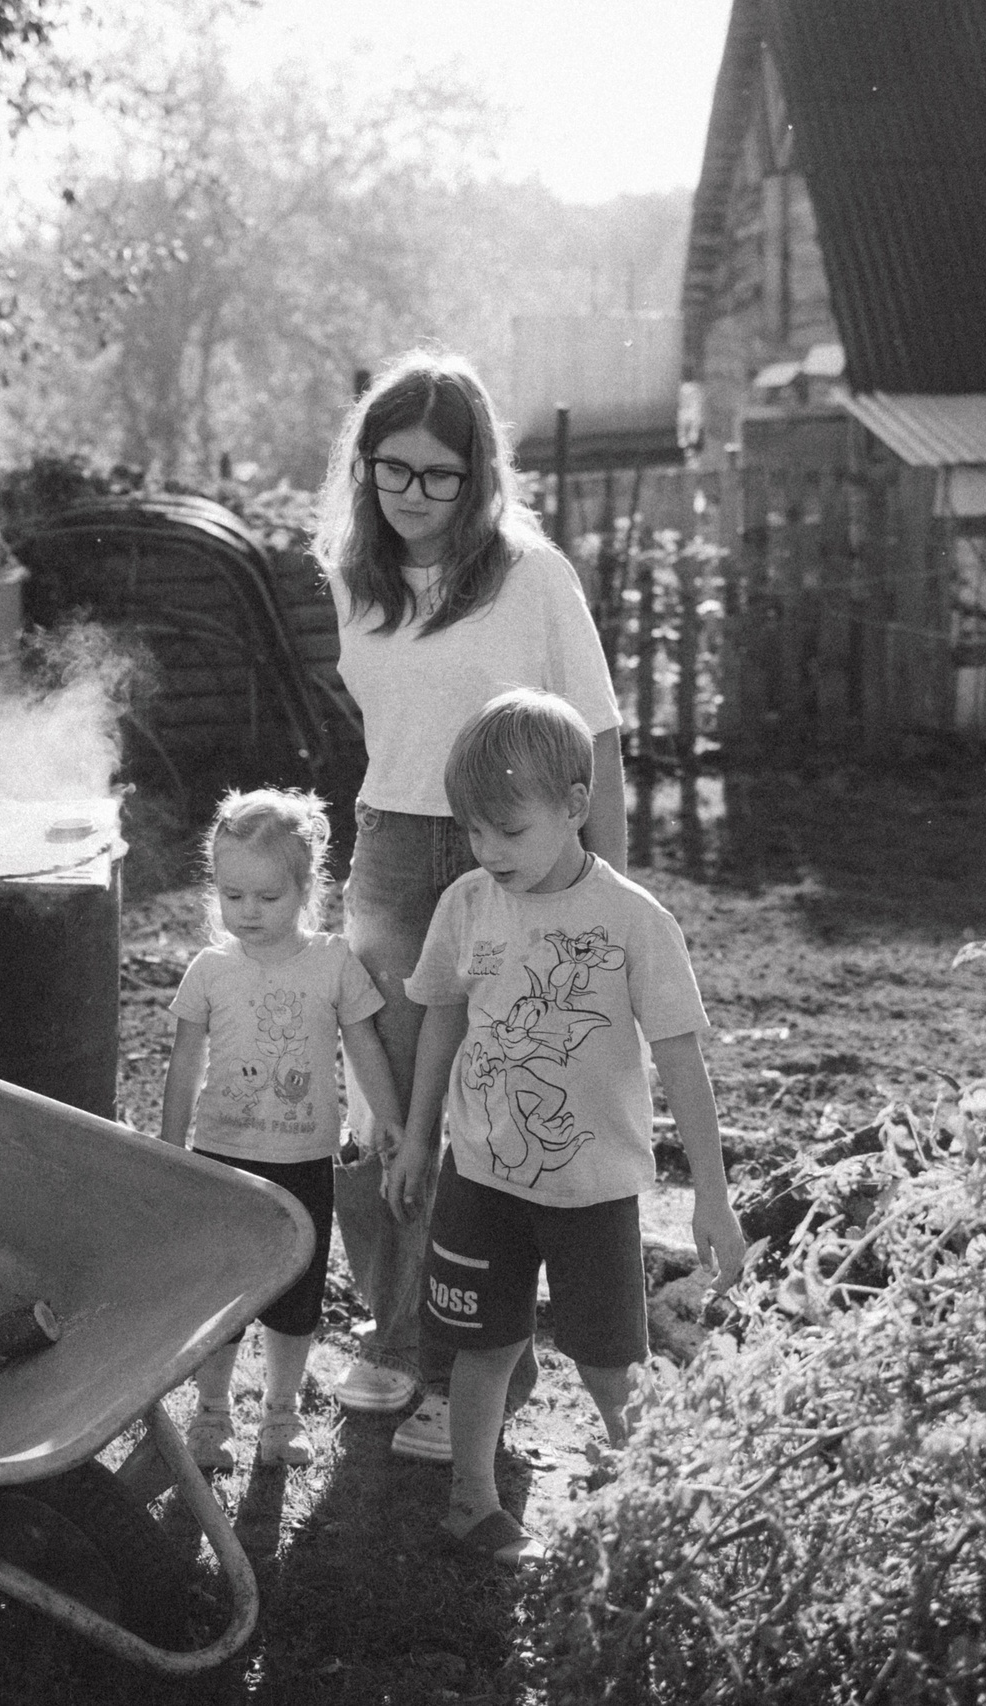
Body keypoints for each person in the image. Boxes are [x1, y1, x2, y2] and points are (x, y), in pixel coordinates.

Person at [313, 350, 629, 1464]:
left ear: (478, 476)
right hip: (394, 850)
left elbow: (594, 738)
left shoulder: (532, 575)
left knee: (494, 1114)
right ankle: (393, 1335)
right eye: (389, 468)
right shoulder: (354, 574)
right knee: (386, 1115)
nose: (410, 493)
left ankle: (473, 1369)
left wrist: (602, 899)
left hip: (511, 849)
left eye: (438, 475)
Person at [386, 689, 746, 1562]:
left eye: (510, 830)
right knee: (485, 1347)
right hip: (481, 1178)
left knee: (609, 1364)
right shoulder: (469, 903)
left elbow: (683, 1061)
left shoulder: (633, 923)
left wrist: (714, 1197)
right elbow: (442, 1015)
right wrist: (417, 1134)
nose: (489, 851)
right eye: (474, 831)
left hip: (592, 1193)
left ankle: (652, 1501)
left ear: (577, 806)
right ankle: (472, 1503)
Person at [159, 789, 405, 1472]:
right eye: (233, 895)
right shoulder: (209, 970)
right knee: (223, 1296)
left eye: (267, 897)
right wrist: (169, 1147)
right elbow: (186, 1064)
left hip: (301, 1158)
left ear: (306, 887)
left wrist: (386, 1118)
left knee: (295, 1298)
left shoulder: (330, 962)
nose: (248, 912)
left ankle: (281, 1412)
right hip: (220, 1159)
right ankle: (212, 1414)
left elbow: (363, 1046)